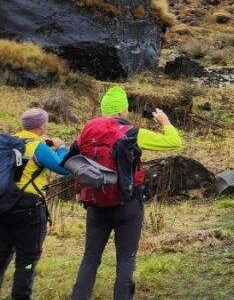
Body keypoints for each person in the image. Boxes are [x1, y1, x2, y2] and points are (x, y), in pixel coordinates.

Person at [68, 86, 182, 300]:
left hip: (95, 202)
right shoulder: (131, 133)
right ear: (122, 111)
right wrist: (165, 122)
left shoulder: (87, 130)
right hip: (127, 203)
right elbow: (174, 142)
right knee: (126, 259)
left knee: (90, 258)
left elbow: (69, 159)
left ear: (103, 110)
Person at [0, 108, 69, 300]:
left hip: (4, 204)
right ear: (42, 125)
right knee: (26, 260)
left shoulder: (9, 142)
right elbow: (63, 169)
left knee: (2, 254)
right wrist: (62, 146)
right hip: (29, 209)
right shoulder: (38, 147)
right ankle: (21, 296)